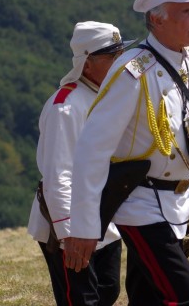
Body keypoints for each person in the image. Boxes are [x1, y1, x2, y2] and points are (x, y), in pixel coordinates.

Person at [66, 0, 189, 306]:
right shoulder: (133, 69)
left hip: (178, 203)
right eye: (187, 12)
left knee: (148, 299)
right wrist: (86, 227)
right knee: (188, 297)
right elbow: (92, 148)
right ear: (157, 19)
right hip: (140, 205)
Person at [27, 21, 131, 306]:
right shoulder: (66, 107)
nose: (121, 61)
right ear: (87, 64)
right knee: (81, 300)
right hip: (68, 223)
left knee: (108, 291)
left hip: (103, 218)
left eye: (122, 52)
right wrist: (69, 235)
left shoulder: (107, 97)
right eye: (113, 55)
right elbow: (57, 176)